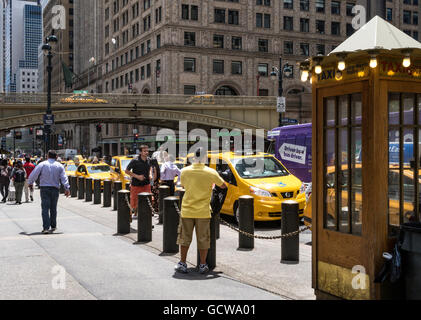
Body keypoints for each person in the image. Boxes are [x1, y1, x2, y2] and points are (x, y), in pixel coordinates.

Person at [175, 148, 227, 274]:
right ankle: (203, 264)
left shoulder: (184, 171)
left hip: (187, 209)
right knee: (203, 239)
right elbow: (223, 185)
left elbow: (182, 186)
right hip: (203, 211)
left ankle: (182, 263)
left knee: (184, 238)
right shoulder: (211, 172)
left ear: (194, 158)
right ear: (204, 158)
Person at [28, 150, 70, 234]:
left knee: (45, 208)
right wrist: (67, 188)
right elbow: (64, 178)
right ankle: (53, 226)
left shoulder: (42, 164)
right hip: (55, 189)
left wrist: (30, 183)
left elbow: (34, 174)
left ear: (47, 156)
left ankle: (46, 228)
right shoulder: (59, 166)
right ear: (56, 157)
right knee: (53, 208)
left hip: (44, 189)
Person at [125, 145, 153, 217]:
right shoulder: (135, 160)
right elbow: (127, 171)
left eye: (147, 151)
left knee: (148, 200)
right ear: (140, 152)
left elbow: (150, 168)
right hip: (136, 184)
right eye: (144, 151)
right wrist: (137, 176)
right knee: (134, 202)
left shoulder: (149, 160)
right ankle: (130, 216)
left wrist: (150, 174)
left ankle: (146, 218)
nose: (146, 152)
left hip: (146, 184)